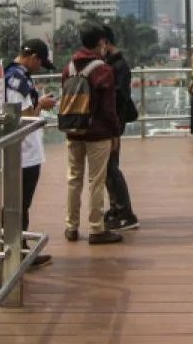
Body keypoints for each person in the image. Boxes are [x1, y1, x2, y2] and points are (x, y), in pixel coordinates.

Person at [61, 24, 123, 245]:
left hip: (73, 129)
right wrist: (115, 133)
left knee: (73, 178)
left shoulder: (69, 67)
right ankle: (96, 228)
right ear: (101, 43)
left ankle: (71, 226)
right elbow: (108, 108)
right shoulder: (103, 70)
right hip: (97, 133)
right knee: (95, 181)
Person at [4, 38, 57, 269]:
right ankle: (19, 252)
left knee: (17, 203)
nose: (39, 67)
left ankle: (16, 247)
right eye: (40, 63)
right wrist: (42, 105)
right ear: (33, 57)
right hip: (25, 153)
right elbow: (26, 119)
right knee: (19, 204)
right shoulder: (19, 81)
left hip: (20, 151)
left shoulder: (11, 75)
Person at [102, 25, 139, 231]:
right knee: (109, 167)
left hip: (113, 123)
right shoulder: (111, 64)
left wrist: (115, 128)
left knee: (111, 168)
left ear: (105, 43)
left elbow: (120, 98)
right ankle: (116, 208)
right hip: (111, 122)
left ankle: (126, 212)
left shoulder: (119, 66)